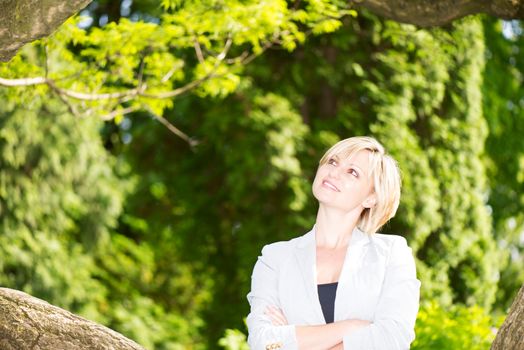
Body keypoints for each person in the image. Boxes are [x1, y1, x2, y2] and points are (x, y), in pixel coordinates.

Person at [246, 136, 421, 350]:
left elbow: (392, 339)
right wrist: (353, 327)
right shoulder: (275, 258)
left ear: (371, 198)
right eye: (333, 161)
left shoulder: (392, 254)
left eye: (353, 172)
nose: (334, 172)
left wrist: (294, 338)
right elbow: (262, 342)